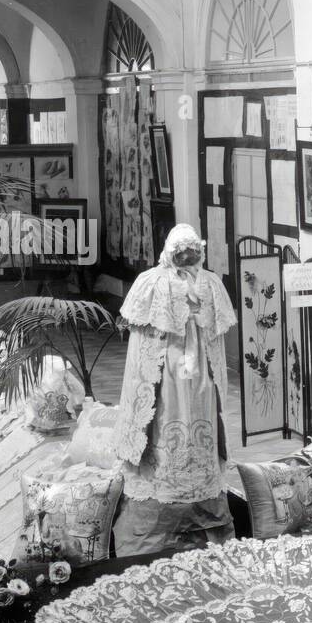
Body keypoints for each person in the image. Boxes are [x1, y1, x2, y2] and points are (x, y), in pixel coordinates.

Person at [111, 223, 237, 555]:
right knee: (164, 421)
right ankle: (162, 494)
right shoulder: (151, 283)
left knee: (199, 417)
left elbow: (216, 341)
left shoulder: (210, 284)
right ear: (169, 253)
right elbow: (142, 346)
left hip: (199, 378)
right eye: (181, 253)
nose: (187, 258)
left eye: (192, 252)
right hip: (166, 371)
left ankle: (201, 492)